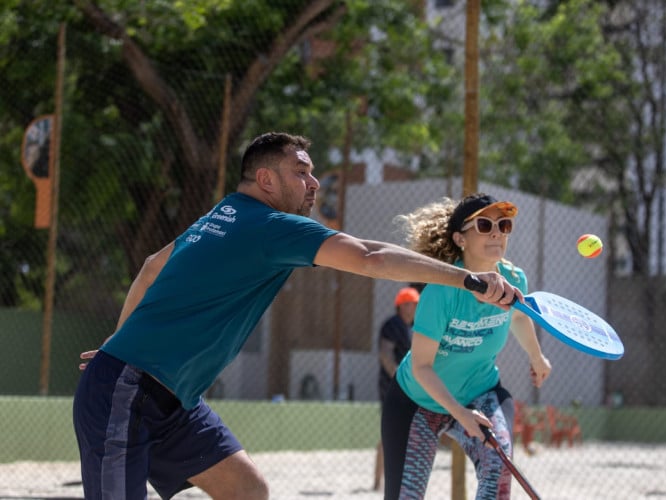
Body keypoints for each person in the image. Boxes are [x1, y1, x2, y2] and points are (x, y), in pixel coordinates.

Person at [72, 132, 522, 500]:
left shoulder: (222, 213)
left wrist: (118, 342)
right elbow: (369, 257)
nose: (315, 183)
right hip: (130, 391)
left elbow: (152, 266)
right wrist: (468, 279)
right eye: (301, 172)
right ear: (267, 179)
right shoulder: (270, 227)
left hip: (171, 400)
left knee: (247, 490)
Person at [381, 193, 552, 500]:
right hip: (417, 401)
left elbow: (518, 318)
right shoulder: (440, 292)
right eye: (485, 225)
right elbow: (421, 367)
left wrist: (537, 357)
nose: (497, 231)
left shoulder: (514, 280)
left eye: (504, 225)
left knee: (498, 472)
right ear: (460, 239)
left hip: (480, 392)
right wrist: (460, 414)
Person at [374, 286, 420, 490]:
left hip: (412, 386)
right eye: (410, 304)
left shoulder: (415, 327)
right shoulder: (392, 325)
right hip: (393, 386)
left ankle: (402, 481)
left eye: (416, 304)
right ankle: (378, 481)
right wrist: (399, 380)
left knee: (410, 433)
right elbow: (385, 355)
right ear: (400, 306)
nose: (414, 308)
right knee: (389, 432)